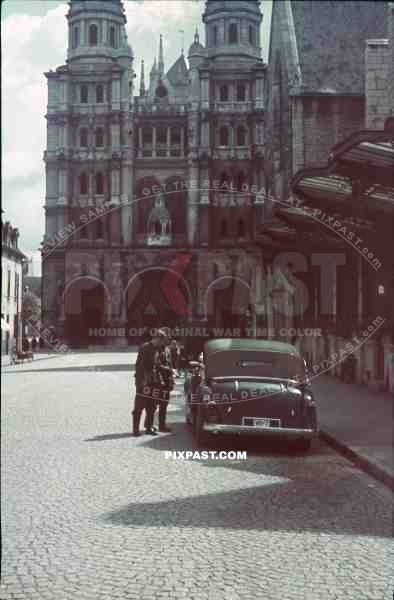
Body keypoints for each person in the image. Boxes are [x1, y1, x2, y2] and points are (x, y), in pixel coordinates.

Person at [132, 330, 168, 436]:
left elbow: (156, 365)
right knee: (139, 405)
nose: (162, 343)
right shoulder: (145, 347)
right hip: (144, 381)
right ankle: (135, 430)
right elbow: (140, 366)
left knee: (152, 406)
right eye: (162, 341)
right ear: (157, 338)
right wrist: (142, 381)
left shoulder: (156, 349)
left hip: (153, 381)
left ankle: (148, 427)